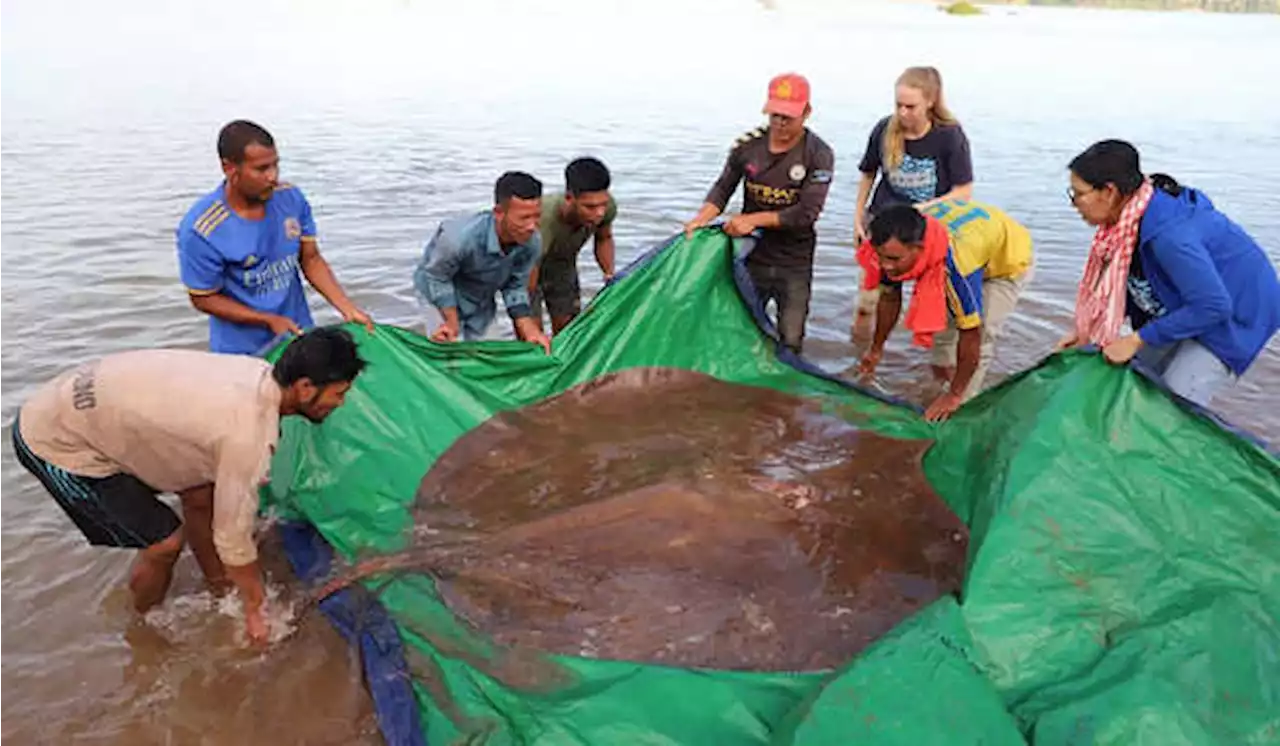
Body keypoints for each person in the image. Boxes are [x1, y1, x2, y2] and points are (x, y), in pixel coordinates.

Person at [10, 327, 367, 644]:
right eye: (338, 394)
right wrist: (257, 608)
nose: (341, 403)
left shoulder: (253, 371)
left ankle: (218, 585)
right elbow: (232, 536)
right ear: (305, 388)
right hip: (56, 441)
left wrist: (233, 586)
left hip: (81, 400)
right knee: (164, 543)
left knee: (200, 492)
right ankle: (145, 624)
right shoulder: (248, 435)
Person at [1058, 139, 1280, 407]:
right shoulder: (1124, 225)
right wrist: (1088, 332)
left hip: (1235, 314)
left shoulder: (1170, 236)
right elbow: (1133, 283)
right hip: (1190, 300)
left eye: (1078, 194)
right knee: (1134, 378)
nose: (1074, 204)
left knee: (1170, 404)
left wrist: (1138, 339)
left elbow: (1213, 306)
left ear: (1109, 191)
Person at [176, 120, 371, 356]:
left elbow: (310, 259)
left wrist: (346, 308)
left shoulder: (290, 198)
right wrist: (267, 320)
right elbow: (203, 298)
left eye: (275, 165)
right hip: (241, 352)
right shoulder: (202, 229)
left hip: (297, 335)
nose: (273, 177)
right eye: (261, 169)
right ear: (229, 168)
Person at [684, 72, 835, 355]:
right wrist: (701, 219)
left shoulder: (819, 154)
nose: (779, 123)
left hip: (795, 262)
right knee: (740, 332)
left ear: (807, 112)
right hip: (751, 257)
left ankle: (787, 390)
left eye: (788, 117)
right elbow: (723, 187)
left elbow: (807, 213)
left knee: (790, 339)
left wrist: (751, 220)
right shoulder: (747, 146)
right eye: (774, 115)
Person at [857, 200, 1034, 421]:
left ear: (919, 249)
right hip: (975, 238)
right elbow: (890, 298)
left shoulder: (957, 267)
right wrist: (876, 349)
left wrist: (954, 395)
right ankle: (942, 382)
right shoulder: (888, 252)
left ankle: (963, 407)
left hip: (1005, 263)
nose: (886, 266)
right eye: (881, 258)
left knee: (983, 330)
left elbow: (971, 333)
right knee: (942, 341)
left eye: (893, 259)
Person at [852, 67, 973, 333]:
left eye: (911, 106)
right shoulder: (884, 129)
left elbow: (963, 191)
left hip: (927, 228)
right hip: (884, 223)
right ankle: (864, 355)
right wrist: (858, 216)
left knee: (937, 301)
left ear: (930, 101)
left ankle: (934, 356)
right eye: (899, 105)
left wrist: (919, 210)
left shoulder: (949, 135)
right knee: (869, 300)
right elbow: (868, 173)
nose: (903, 113)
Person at [412, 171, 552, 353]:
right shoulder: (458, 239)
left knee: (490, 355)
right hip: (438, 290)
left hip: (480, 297)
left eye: (536, 216)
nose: (532, 226)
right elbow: (437, 277)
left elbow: (516, 285)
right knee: (452, 353)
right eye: (524, 218)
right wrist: (451, 322)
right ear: (499, 213)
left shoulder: (532, 242)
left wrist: (529, 328)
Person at [530, 157, 618, 335]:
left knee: (569, 331)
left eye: (603, 204)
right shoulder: (544, 219)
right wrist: (528, 317)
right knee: (532, 336)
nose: (599, 213)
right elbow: (529, 268)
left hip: (563, 264)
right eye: (590, 207)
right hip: (527, 267)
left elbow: (604, 238)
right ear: (569, 198)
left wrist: (609, 274)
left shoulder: (607, 209)